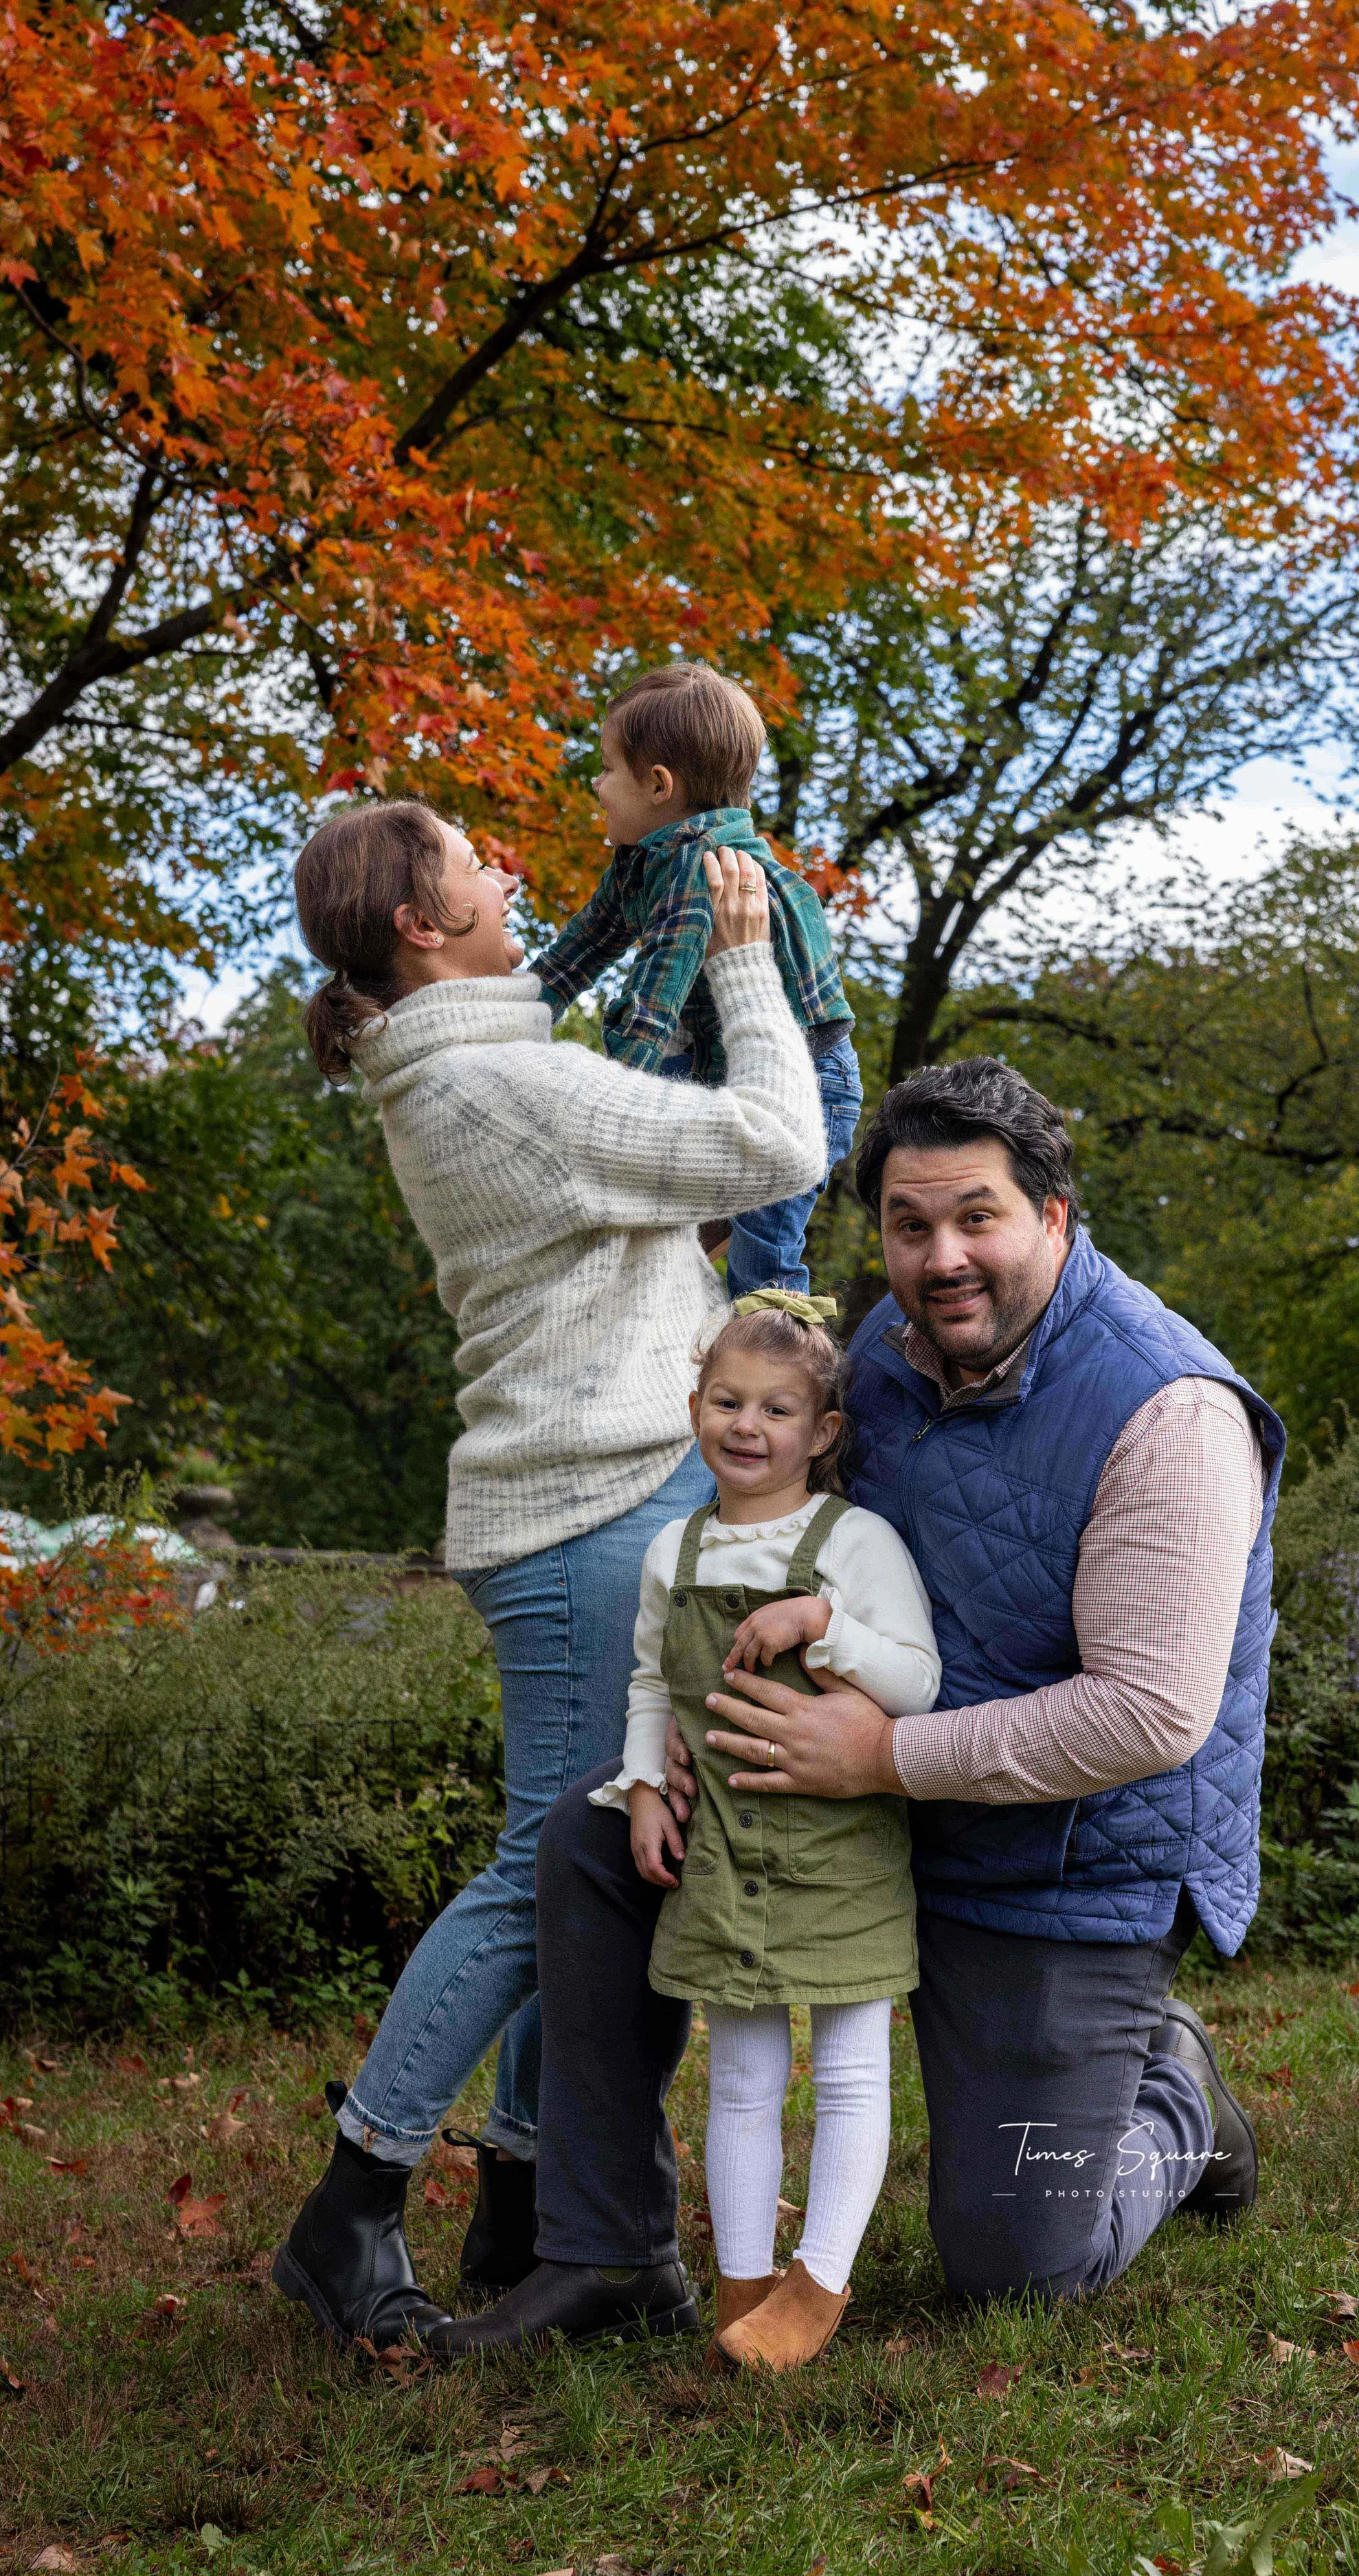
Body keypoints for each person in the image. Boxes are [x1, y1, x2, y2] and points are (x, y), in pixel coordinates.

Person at [431, 1057, 1285, 2360]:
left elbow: (1147, 1717)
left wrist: (884, 1752)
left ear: (1056, 1214)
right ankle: (607, 2247)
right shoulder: (874, 1359)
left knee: (1019, 2262)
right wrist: (665, 1758)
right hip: (847, 1812)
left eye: (977, 1216)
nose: (941, 1256)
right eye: (908, 1223)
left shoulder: (1170, 1410)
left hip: (1060, 1858)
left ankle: (1174, 2093)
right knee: (592, 1840)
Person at [270, 797, 826, 2352]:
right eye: (470, 861)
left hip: (592, 1498)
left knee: (588, 1875)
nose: (505, 870)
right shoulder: (508, 1083)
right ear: (423, 927)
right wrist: (742, 959)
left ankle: (529, 2195)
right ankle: (352, 2199)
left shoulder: (478, 1070)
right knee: (546, 1869)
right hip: (583, 1512)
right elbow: (783, 1137)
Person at [594, 1288, 940, 2371]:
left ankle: (819, 2283)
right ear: (694, 1406)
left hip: (842, 1854)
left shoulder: (856, 1543)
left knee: (847, 2072)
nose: (748, 1427)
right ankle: (745, 2282)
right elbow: (654, 1681)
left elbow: (921, 1687)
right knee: (741, 2079)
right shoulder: (673, 1553)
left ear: (822, 1432)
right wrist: (645, 1783)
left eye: (778, 1410)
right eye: (728, 1402)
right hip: (723, 1854)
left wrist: (825, 1625)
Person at [529, 663, 862, 1298]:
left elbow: (653, 1008)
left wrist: (597, 1113)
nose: (595, 786)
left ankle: (779, 1367)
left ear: (658, 785)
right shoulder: (641, 863)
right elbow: (571, 960)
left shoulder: (702, 870)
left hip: (808, 1088)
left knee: (762, 1265)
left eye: (605, 769)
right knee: (656, 1254)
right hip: (716, 1073)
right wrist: (498, 1020)